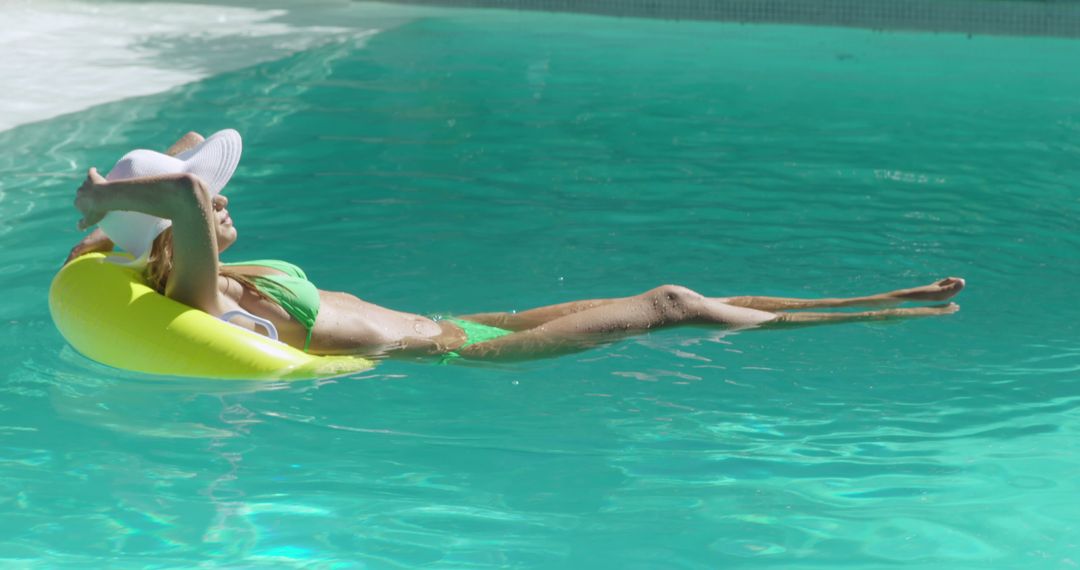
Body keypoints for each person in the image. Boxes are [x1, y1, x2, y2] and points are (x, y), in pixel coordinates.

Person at [68, 130, 964, 362]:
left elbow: (185, 165)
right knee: (672, 305)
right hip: (462, 355)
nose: (226, 205)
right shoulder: (199, 290)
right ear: (177, 231)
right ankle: (872, 318)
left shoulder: (166, 257)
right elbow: (183, 190)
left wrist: (113, 199)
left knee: (684, 297)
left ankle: (888, 296)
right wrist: (107, 192)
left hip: (466, 322)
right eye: (218, 206)